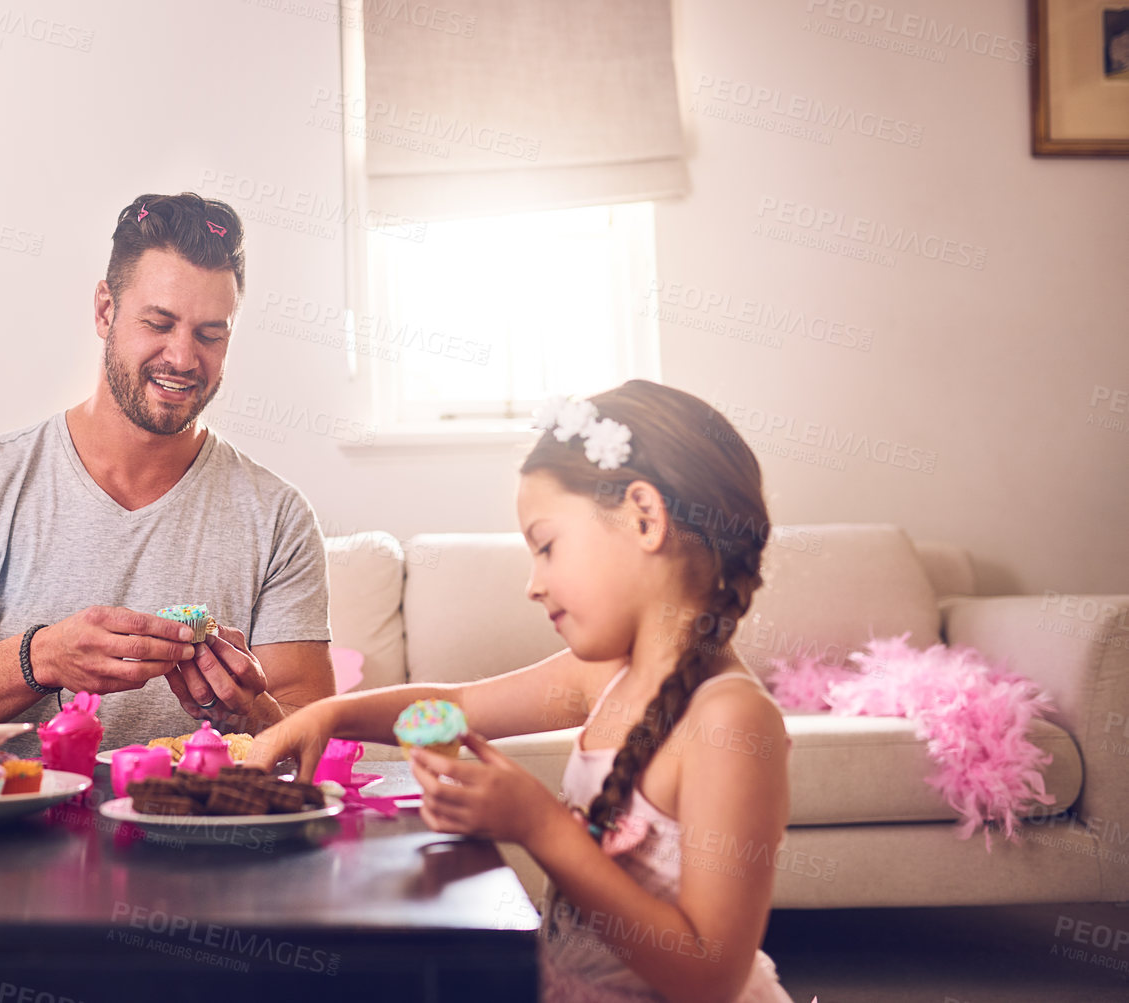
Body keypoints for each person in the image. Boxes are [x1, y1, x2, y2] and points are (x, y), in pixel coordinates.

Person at [249, 381, 798, 1003]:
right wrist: (330, 713)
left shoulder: (732, 721)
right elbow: (454, 709)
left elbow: (709, 977)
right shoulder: (605, 674)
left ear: (645, 518)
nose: (532, 585)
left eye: (546, 546)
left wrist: (539, 825)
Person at [0, 193, 336, 754]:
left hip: (203, 828)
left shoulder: (278, 516)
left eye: (211, 334)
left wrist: (248, 711)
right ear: (105, 310)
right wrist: (41, 658)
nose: (183, 358)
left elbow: (317, 741)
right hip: (17, 826)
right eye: (159, 323)